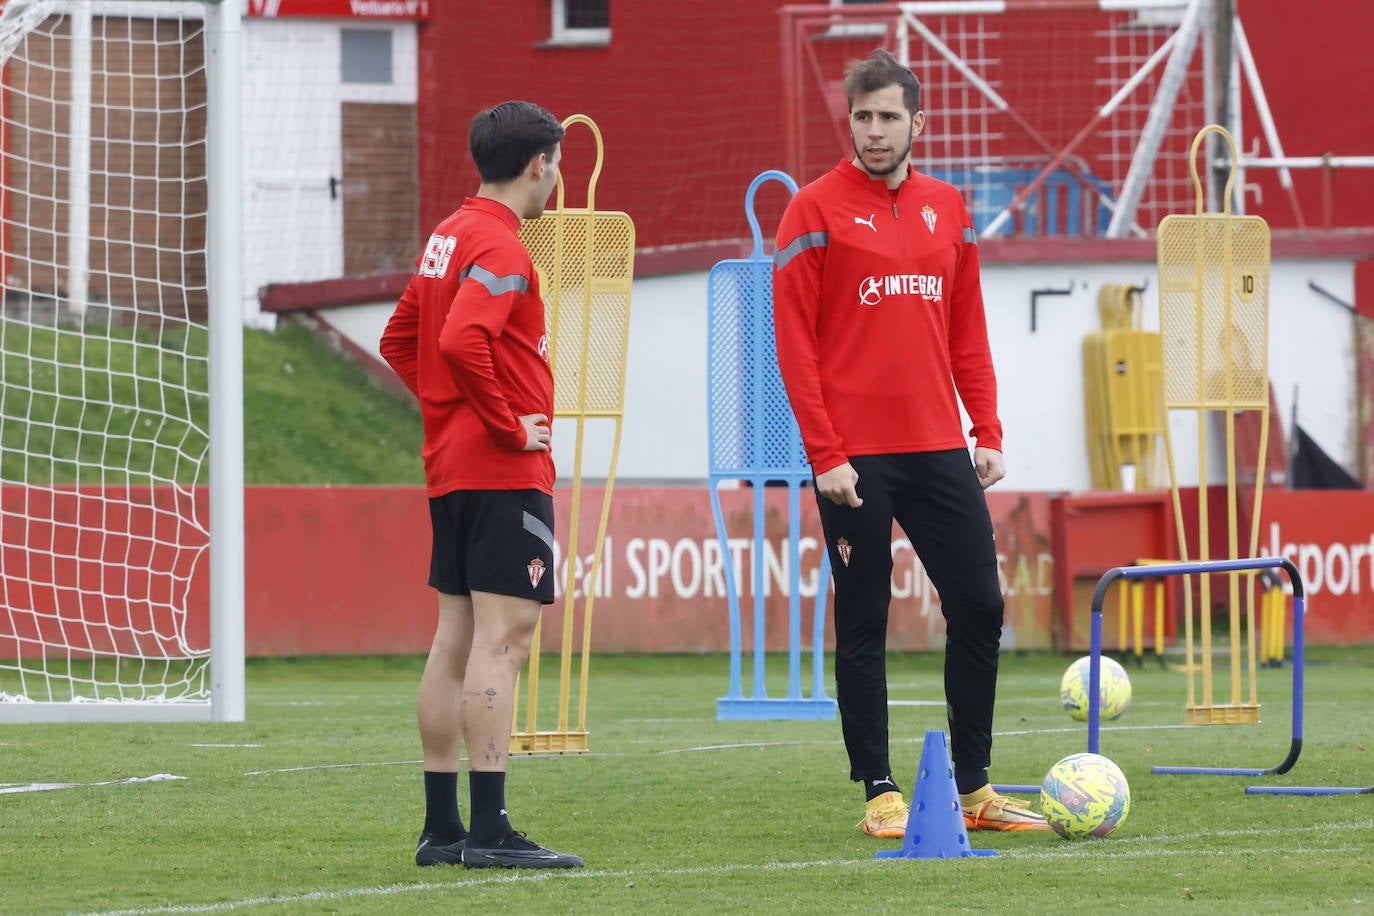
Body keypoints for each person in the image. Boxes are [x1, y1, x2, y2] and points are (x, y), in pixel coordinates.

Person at [771, 49, 1049, 837]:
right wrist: (825, 453)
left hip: (937, 450)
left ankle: (974, 789)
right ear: (849, 122)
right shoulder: (813, 210)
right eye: (862, 117)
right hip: (854, 457)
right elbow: (795, 345)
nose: (875, 131)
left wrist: (985, 430)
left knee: (981, 607)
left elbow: (968, 330)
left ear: (916, 122)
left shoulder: (949, 208)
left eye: (889, 116)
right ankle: (880, 790)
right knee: (863, 619)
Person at [379, 100, 584, 869]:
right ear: (540, 164)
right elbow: (464, 338)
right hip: (501, 470)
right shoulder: (501, 244)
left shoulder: (448, 236)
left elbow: (403, 339)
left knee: (455, 640)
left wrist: (446, 406)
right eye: (556, 163)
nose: (557, 178)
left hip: (451, 469)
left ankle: (443, 829)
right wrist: (502, 424)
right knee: (506, 640)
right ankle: (492, 831)